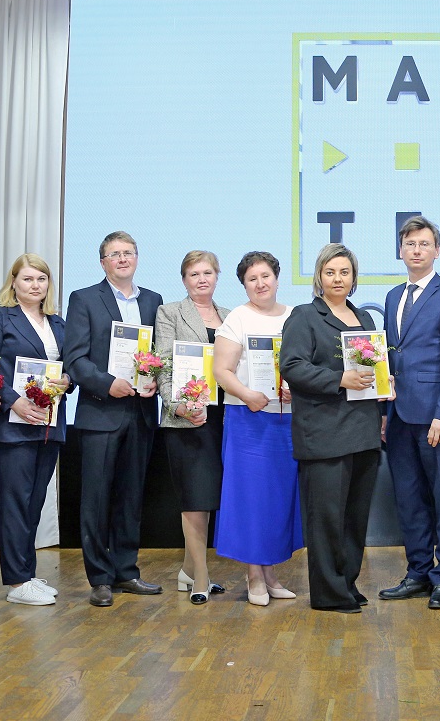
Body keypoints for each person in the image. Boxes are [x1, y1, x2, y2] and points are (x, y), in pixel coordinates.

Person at [280, 243, 389, 614]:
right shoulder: (304, 316)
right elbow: (292, 367)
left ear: (354, 277)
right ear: (319, 277)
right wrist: (339, 378)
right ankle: (328, 593)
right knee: (326, 519)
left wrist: (384, 388)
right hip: (324, 434)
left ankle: (347, 584)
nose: (337, 279)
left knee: (355, 518)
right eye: (330, 272)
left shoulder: (364, 318)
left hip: (363, 430)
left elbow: (373, 372)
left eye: (344, 272)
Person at [63, 231, 164, 608]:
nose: (122, 259)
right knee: (96, 499)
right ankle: (100, 578)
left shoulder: (153, 300)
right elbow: (75, 358)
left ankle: (126, 571)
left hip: (141, 413)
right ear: (103, 262)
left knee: (131, 497)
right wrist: (109, 385)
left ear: (137, 258)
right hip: (100, 412)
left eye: (128, 253)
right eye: (114, 254)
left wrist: (156, 378)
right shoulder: (84, 298)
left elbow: (158, 354)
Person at [379, 216, 440, 610]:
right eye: (410, 244)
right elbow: (390, 357)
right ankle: (417, 573)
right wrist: (384, 411)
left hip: (438, 417)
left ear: (437, 250)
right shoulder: (391, 296)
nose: (416, 250)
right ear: (400, 250)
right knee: (409, 499)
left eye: (424, 244)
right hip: (399, 415)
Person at [0, 254, 73, 607]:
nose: (35, 285)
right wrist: (13, 401)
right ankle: (16, 581)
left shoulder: (58, 323)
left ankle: (28, 574)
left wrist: (67, 379)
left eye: (41, 279)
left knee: (34, 501)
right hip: (13, 425)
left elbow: (70, 367)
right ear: (14, 282)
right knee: (16, 500)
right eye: (28, 279)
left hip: (48, 422)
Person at [212, 251, 302, 606]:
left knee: (278, 498)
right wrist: (248, 395)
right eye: (252, 279)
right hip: (249, 420)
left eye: (266, 276)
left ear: (277, 279)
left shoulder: (296, 317)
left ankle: (270, 573)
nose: (260, 284)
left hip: (288, 420)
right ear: (244, 285)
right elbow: (222, 371)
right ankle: (253, 575)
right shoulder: (238, 318)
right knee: (251, 499)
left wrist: (298, 388)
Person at [154, 250, 230, 606]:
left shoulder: (231, 316)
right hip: (187, 419)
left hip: (225, 419)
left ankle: (187, 569)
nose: (201, 279)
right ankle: (201, 577)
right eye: (194, 274)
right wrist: (179, 406)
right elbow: (164, 366)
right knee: (195, 498)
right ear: (184, 280)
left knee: (210, 497)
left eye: (207, 273)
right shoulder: (169, 312)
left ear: (217, 276)